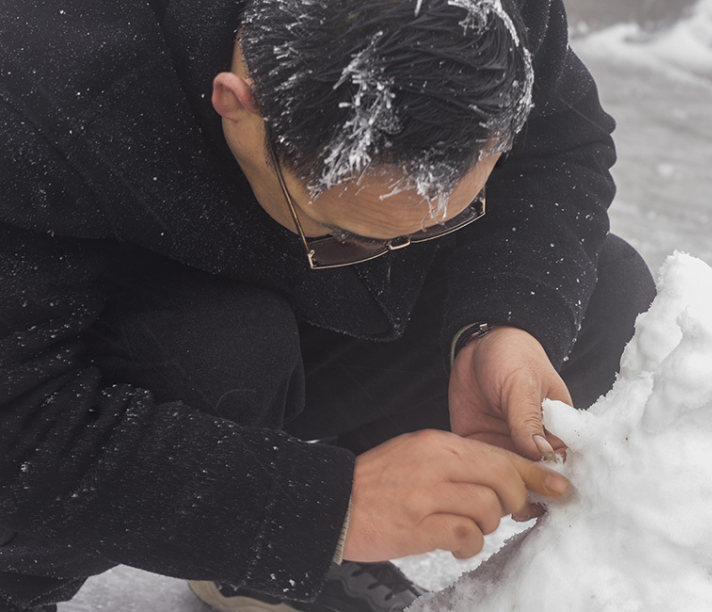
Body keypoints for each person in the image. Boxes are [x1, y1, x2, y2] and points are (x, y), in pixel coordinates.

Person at [0, 0, 656, 610]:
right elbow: (16, 427)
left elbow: (561, 151)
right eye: (345, 234)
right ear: (239, 106)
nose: (393, 251)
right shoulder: (36, 94)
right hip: (120, 342)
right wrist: (317, 507)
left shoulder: (492, 20)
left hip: (287, 326)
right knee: (225, 352)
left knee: (601, 291)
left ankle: (273, 549)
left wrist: (500, 324)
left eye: (439, 219)